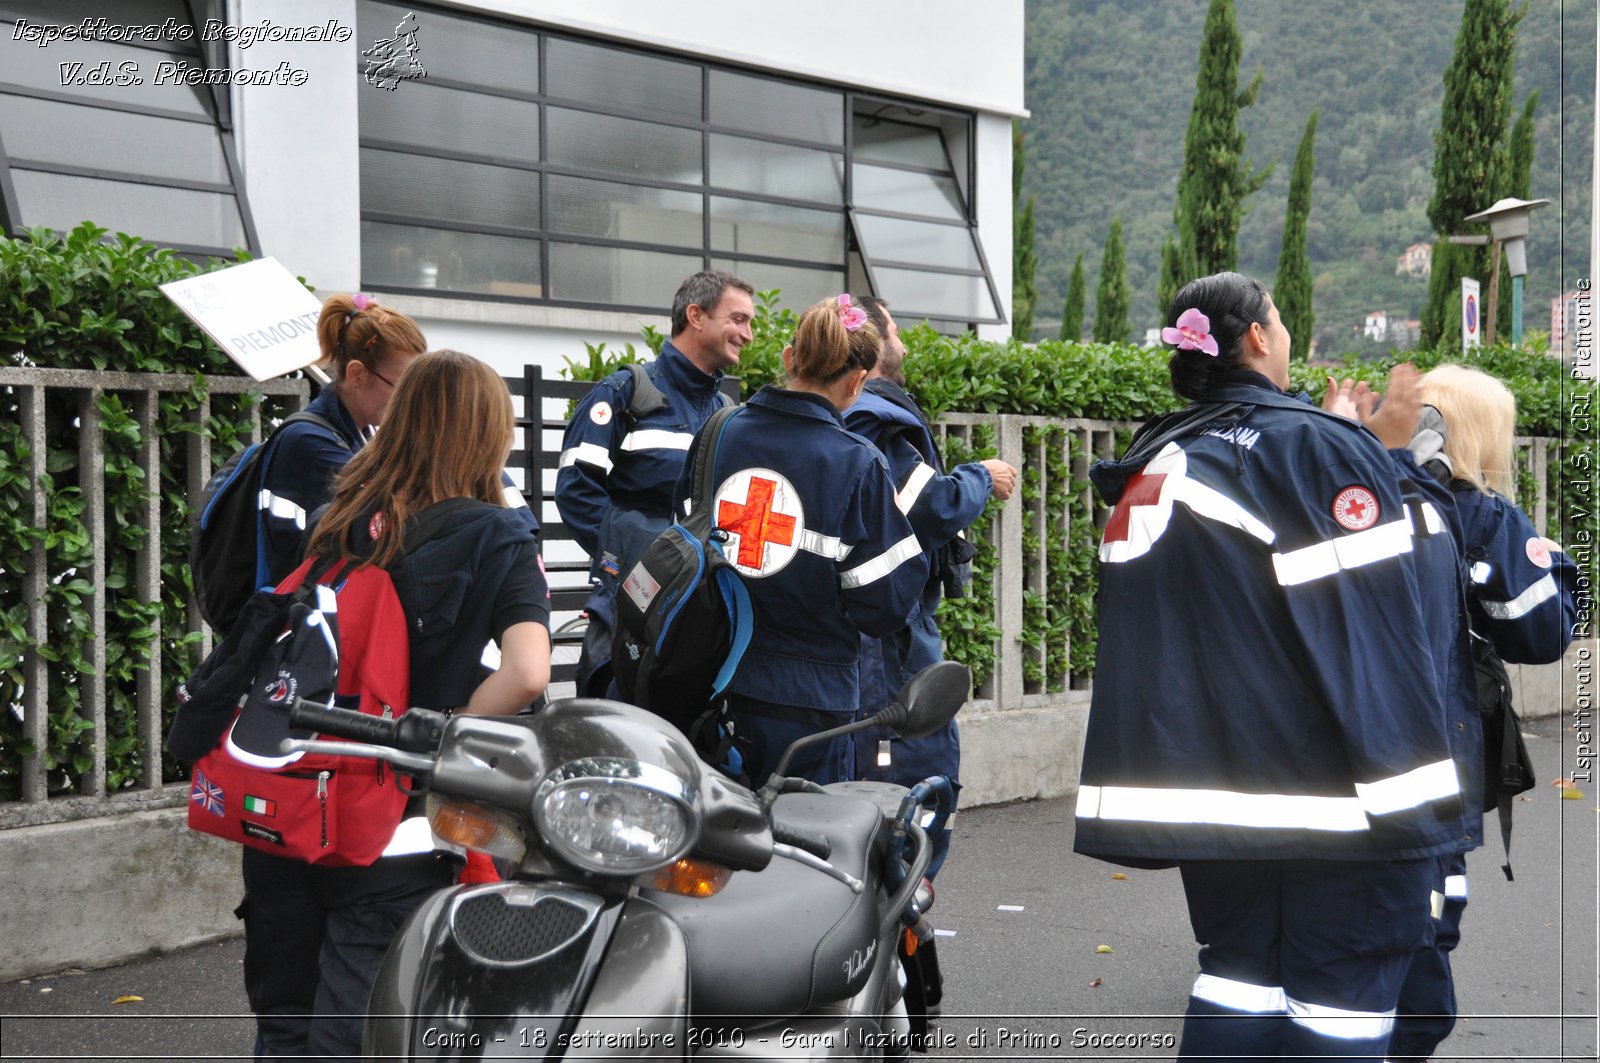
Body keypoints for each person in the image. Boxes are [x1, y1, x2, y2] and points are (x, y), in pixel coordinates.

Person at [1073, 272, 1478, 1060]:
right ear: (1258, 337)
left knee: (1237, 977)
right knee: (1343, 1002)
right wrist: (1425, 816)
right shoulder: (1316, 450)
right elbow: (1379, 640)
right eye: (1283, 322)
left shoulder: (1156, 457)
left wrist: (1349, 440)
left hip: (1216, 802)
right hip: (1338, 804)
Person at [241, 349, 552, 1060]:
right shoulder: (496, 532)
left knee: (284, 1023)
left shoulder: (337, 518)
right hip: (393, 833)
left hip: (294, 813)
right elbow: (529, 672)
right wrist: (445, 732)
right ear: (487, 432)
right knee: (361, 1035)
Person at [1388, 364, 1581, 1062]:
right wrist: (1562, 570)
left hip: (1343, 743)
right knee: (1429, 919)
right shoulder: (1481, 514)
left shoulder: (1365, 494)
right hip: (1438, 751)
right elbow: (1542, 632)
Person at [678, 294, 928, 785]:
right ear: (858, 381)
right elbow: (886, 606)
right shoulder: (857, 463)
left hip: (705, 681)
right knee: (800, 847)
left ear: (789, 358)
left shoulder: (718, 431)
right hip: (808, 704)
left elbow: (683, 539)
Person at [842, 294, 1016, 878]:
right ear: (871, 341)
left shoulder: (829, 416)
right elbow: (928, 504)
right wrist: (980, 477)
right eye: (896, 331)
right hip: (888, 635)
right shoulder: (875, 420)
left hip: (853, 631)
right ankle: (900, 911)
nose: (906, 344)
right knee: (910, 769)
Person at [555, 270, 754, 697]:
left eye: (749, 323)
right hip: (628, 613)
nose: (748, 334)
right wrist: (644, 557)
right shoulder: (626, 394)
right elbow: (575, 490)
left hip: (700, 621)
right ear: (696, 315)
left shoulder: (726, 413)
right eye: (738, 319)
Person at [259, 293, 426, 585]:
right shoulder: (311, 443)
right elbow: (394, 518)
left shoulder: (360, 429)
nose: (411, 400)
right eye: (401, 387)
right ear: (358, 375)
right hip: (293, 617)